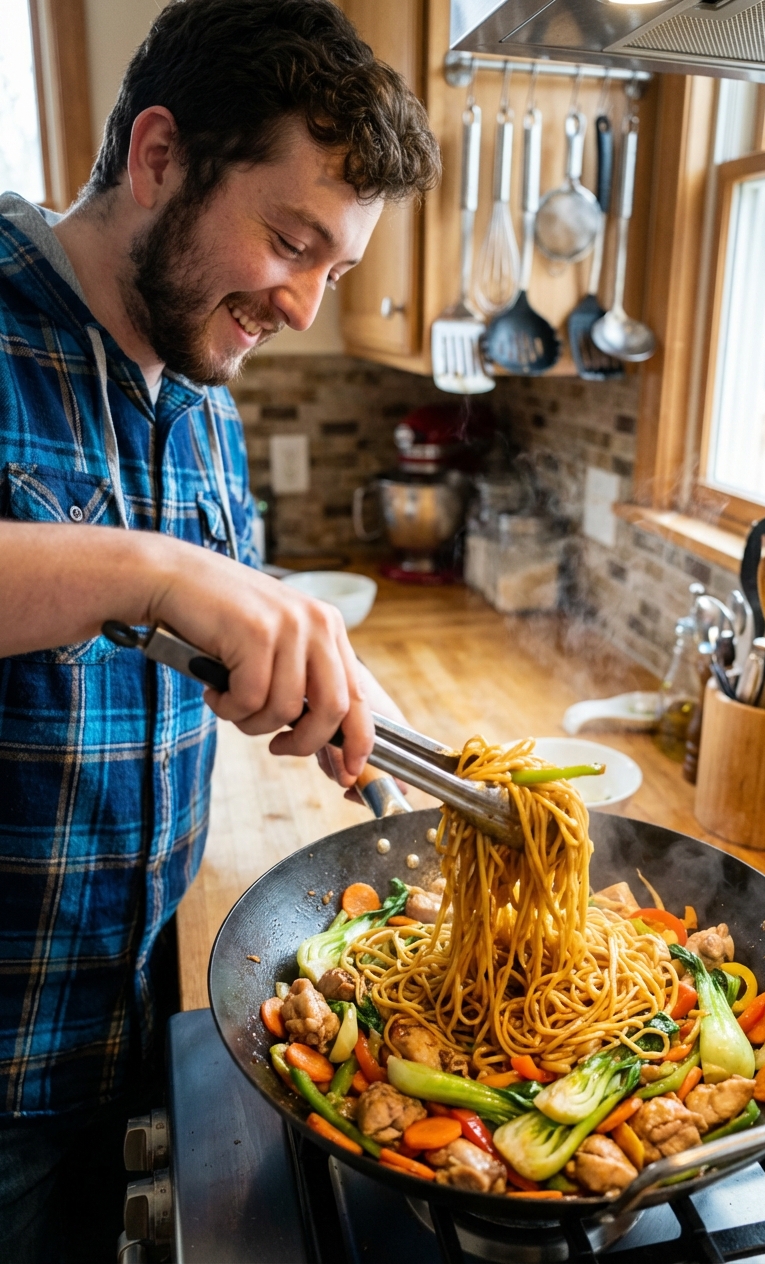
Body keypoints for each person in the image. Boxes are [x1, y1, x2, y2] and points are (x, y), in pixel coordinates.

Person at [0, 2, 440, 1258]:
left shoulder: (199, 375)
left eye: (335, 272)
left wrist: (386, 737)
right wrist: (142, 569)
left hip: (140, 1015)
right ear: (158, 159)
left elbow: (229, 626)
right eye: (291, 241)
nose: (302, 304)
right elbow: (157, 584)